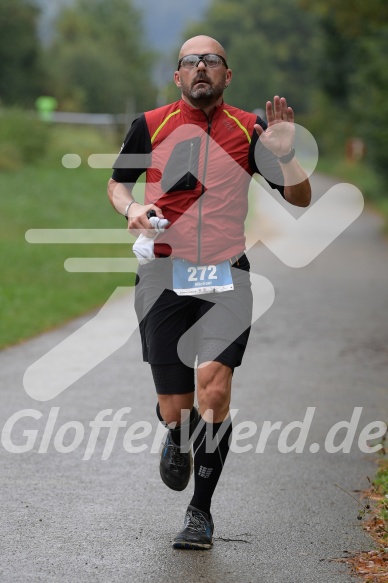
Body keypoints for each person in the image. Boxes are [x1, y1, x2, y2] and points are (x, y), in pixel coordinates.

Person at [107, 35, 311, 550]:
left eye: (212, 61)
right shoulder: (151, 125)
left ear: (227, 75)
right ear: (178, 77)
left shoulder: (250, 129)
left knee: (214, 390)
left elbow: (302, 199)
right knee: (175, 408)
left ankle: (200, 512)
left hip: (226, 276)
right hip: (163, 276)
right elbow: (117, 183)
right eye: (191, 62)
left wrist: (285, 158)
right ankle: (178, 437)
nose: (202, 67)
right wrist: (130, 209)